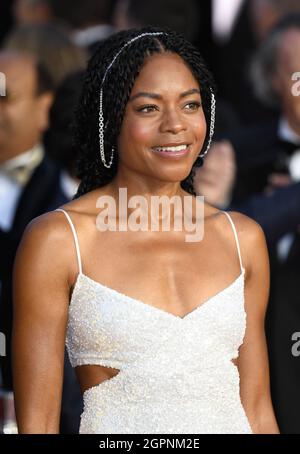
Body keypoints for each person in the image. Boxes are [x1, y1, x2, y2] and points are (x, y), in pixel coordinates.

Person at [12, 27, 279, 434]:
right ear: (111, 119)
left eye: (190, 105)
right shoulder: (59, 240)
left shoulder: (241, 238)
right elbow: (39, 423)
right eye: (149, 109)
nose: (176, 125)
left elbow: (257, 411)